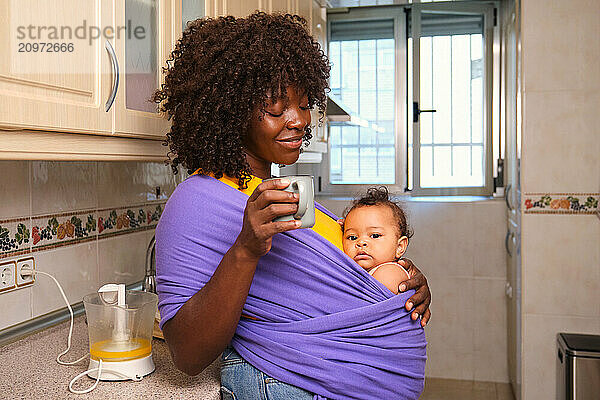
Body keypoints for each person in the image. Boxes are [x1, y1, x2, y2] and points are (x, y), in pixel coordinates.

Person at [152, 12, 431, 400]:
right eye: (276, 108)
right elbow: (186, 351)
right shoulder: (196, 202)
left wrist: (400, 285)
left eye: (302, 104)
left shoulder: (279, 193)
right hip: (295, 383)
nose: (298, 120)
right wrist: (246, 250)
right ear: (231, 110)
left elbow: (336, 279)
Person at [342, 187, 413, 295]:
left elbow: (358, 303)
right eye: (352, 237)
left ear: (399, 247)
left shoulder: (389, 273)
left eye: (375, 235)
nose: (361, 242)